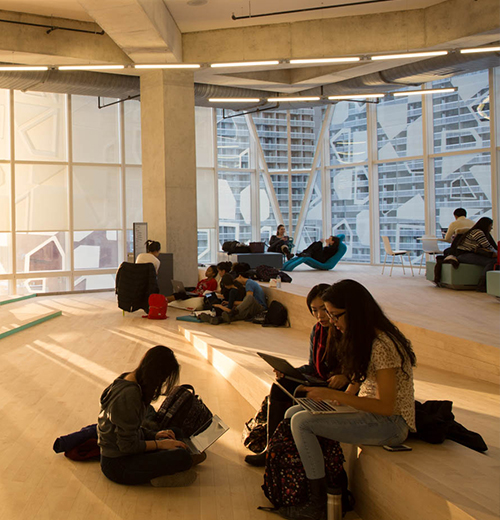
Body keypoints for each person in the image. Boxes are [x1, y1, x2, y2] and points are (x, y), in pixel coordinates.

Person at [280, 280, 416, 520]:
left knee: (302, 423)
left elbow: (386, 407)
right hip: (370, 414)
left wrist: (334, 395)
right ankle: (310, 486)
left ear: (355, 311)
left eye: (335, 315)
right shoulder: (366, 337)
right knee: (294, 414)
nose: (331, 321)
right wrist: (333, 401)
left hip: (391, 424)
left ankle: (317, 502)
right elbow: (358, 382)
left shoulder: (383, 345)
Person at [244, 284, 349, 467]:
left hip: (336, 388)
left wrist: (345, 376)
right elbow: (312, 366)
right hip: (319, 380)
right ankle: (272, 448)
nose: (319, 316)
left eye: (324, 310)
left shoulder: (342, 330)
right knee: (281, 384)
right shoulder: (317, 330)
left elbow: (357, 367)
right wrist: (291, 371)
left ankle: (281, 452)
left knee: (293, 392)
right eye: (314, 310)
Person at [97, 345, 205, 487]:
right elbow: (127, 446)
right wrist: (159, 444)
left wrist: (156, 436)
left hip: (126, 449)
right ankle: (167, 471)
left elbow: (132, 429)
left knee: (175, 432)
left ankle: (171, 458)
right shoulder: (130, 395)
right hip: (118, 465)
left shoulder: (129, 378)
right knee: (182, 457)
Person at [455, 217, 497, 292]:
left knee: (493, 260)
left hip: (465, 254)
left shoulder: (475, 231)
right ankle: (481, 285)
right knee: (491, 262)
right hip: (465, 255)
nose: (491, 228)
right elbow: (488, 246)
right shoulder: (478, 232)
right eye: (491, 225)